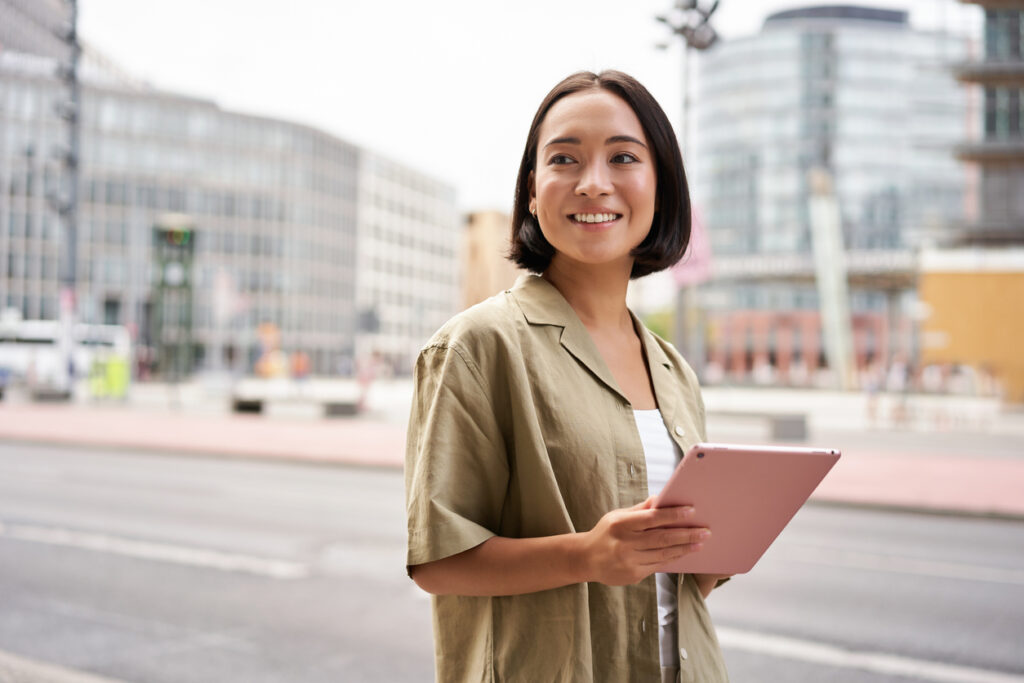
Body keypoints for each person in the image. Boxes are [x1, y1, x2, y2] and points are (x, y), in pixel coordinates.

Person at [405, 70, 731, 683]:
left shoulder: (673, 369)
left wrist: (709, 552)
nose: (594, 183)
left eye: (623, 157)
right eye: (565, 159)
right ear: (533, 191)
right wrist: (587, 555)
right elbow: (438, 561)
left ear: (660, 187)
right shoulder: (478, 346)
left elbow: (673, 590)